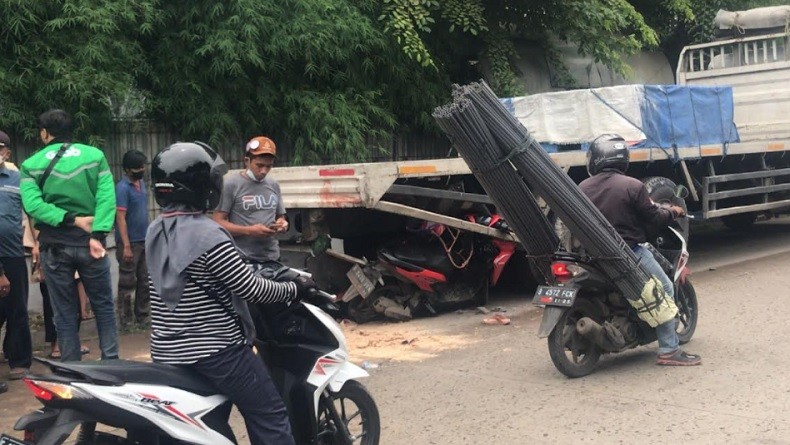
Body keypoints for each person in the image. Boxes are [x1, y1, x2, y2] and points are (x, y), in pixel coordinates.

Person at [146, 141, 316, 444]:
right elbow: (251, 288)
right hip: (216, 351)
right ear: (203, 186)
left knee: (211, 419)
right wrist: (294, 288)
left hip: (166, 350)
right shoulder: (209, 235)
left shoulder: (155, 229)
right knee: (270, 411)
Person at [579, 134, 701, 366]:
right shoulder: (633, 186)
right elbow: (654, 218)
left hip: (592, 255)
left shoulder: (582, 187)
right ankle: (669, 349)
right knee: (664, 286)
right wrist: (674, 212)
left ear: (595, 159)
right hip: (629, 253)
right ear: (622, 158)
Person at [19, 109, 118, 362]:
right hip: (91, 244)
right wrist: (96, 232)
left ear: (44, 133)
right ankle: (111, 362)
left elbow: (33, 206)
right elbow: (107, 198)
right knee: (104, 307)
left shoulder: (31, 165)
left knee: (64, 312)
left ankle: (72, 368)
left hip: (54, 247)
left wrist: (68, 219)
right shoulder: (95, 156)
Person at [212, 136, 288, 263]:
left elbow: (281, 217)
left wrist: (282, 224)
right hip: (243, 259)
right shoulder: (231, 184)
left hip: (272, 257)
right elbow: (217, 222)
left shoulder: (273, 184)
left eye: (268, 166)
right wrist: (249, 231)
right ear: (247, 161)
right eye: (259, 165)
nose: (264, 171)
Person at [0, 131, 33, 384]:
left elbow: (32, 213)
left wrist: (37, 246)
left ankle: (19, 360)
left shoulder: (18, 179)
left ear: (7, 153)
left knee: (17, 308)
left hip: (12, 253)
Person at [115, 150, 150, 330]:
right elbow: (120, 218)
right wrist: (126, 246)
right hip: (130, 242)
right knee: (127, 282)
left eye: (142, 166)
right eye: (138, 168)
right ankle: (125, 320)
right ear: (128, 170)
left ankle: (142, 316)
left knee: (145, 280)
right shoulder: (122, 188)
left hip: (144, 239)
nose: (141, 170)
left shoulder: (141, 183)